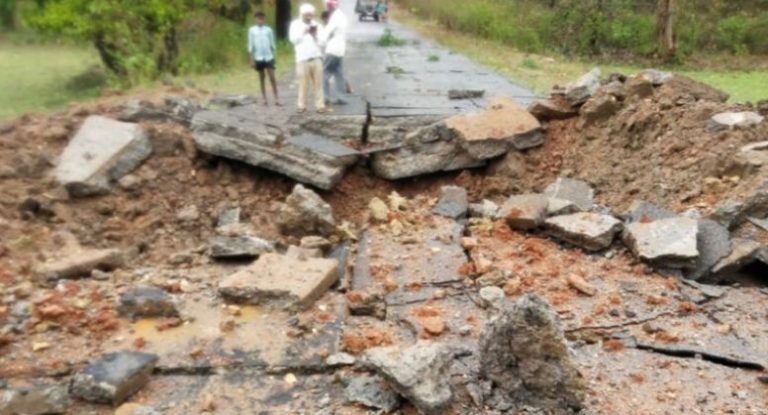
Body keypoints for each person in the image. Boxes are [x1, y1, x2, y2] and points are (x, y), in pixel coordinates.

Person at [289, 3, 327, 114]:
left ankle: (320, 105)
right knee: (303, 83)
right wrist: (304, 32)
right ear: (302, 15)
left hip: (316, 57)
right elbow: (293, 40)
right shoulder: (295, 25)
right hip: (302, 58)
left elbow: (323, 42)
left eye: (310, 15)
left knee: (318, 83)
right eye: (306, 15)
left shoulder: (317, 25)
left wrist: (315, 36)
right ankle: (301, 105)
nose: (309, 17)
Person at [248, 11, 280, 106]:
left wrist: (274, 55)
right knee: (261, 77)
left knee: (272, 77)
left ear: (264, 19)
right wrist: (251, 59)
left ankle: (276, 98)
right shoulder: (252, 30)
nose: (260, 20)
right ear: (255, 19)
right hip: (258, 57)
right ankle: (264, 98)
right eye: (258, 18)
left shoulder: (268, 30)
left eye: (262, 18)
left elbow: (272, 44)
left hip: (268, 56)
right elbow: (251, 45)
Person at [322, 0, 349, 105]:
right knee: (338, 73)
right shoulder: (342, 16)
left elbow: (327, 32)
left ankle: (325, 97)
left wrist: (320, 41)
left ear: (331, 6)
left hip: (332, 48)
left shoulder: (335, 17)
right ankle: (342, 97)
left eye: (328, 6)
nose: (328, 8)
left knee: (325, 72)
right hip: (340, 48)